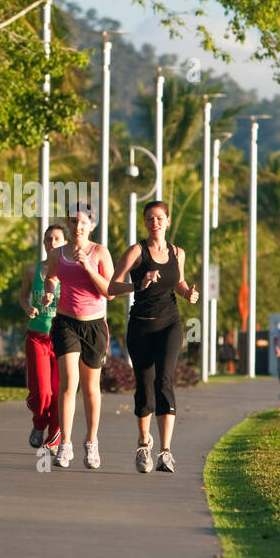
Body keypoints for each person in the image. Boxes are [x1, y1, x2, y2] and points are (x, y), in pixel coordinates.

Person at [109, 201, 198, 473]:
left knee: (165, 381)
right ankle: (143, 444)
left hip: (170, 323)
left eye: (160, 217)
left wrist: (187, 293)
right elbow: (111, 286)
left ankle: (166, 451)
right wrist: (139, 284)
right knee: (145, 386)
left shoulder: (177, 253)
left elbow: (179, 281)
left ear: (168, 221)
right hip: (141, 326)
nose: (155, 222)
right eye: (150, 218)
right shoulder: (137, 252)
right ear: (145, 223)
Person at [40, 202, 114, 469]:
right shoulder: (58, 253)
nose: (78, 227)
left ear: (91, 225)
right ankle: (65, 444)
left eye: (84, 223)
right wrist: (50, 291)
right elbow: (51, 277)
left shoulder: (100, 252)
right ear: (69, 225)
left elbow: (110, 291)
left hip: (94, 325)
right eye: (74, 222)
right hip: (66, 323)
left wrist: (89, 268)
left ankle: (92, 442)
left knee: (91, 388)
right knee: (69, 383)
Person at [18, 224, 67, 453]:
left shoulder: (71, 271)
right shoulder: (32, 270)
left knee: (59, 392)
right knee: (42, 391)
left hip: (64, 338)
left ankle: (54, 436)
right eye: (49, 239)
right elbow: (22, 296)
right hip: (37, 336)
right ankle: (39, 422)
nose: (52, 243)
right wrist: (28, 308)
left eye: (57, 238)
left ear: (64, 242)